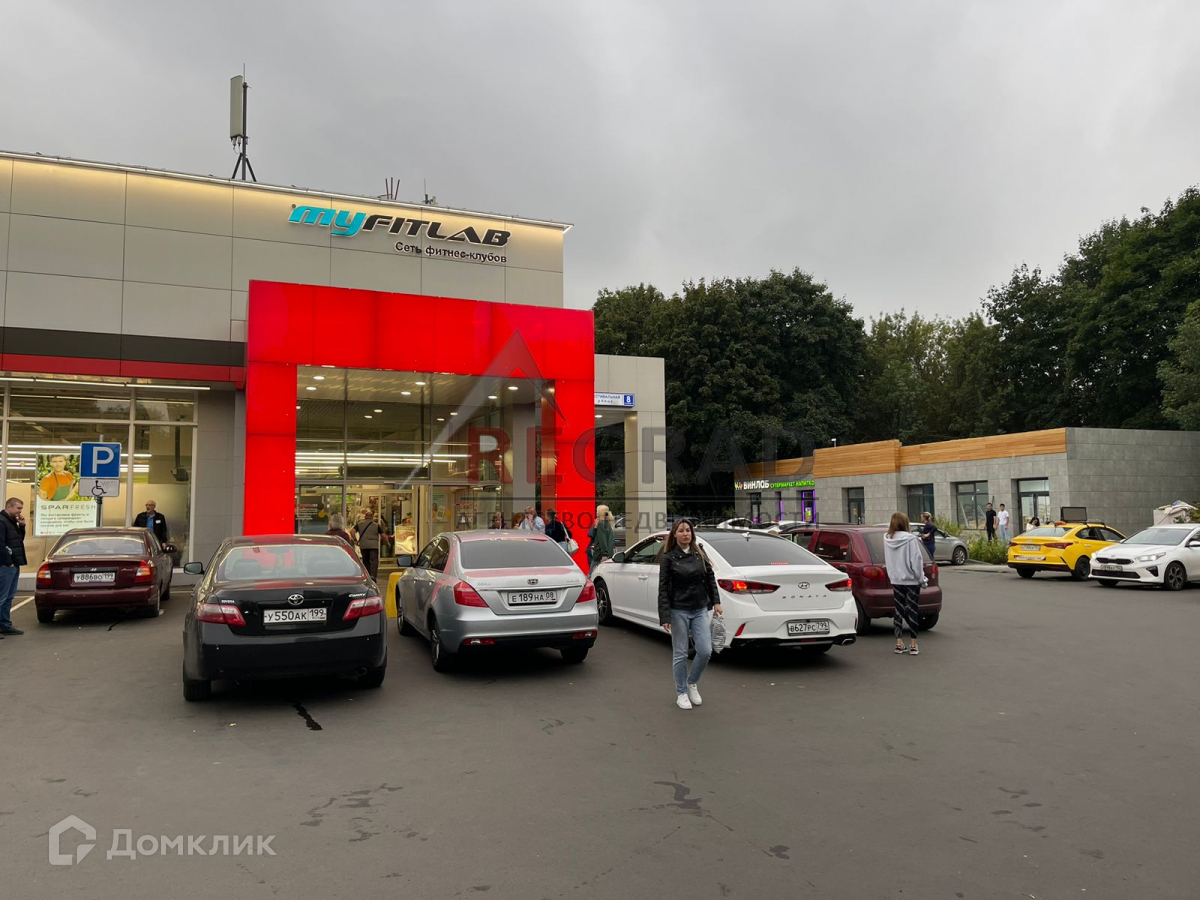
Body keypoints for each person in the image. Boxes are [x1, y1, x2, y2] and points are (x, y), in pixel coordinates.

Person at [657, 519, 721, 709]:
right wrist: (665, 616)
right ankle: (681, 692)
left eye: (688, 530)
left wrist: (716, 602)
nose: (686, 533)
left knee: (705, 650)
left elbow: (710, 577)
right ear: (674, 534)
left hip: (700, 608)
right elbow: (663, 588)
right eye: (681, 530)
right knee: (680, 653)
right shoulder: (668, 557)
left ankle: (692, 682)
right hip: (678, 610)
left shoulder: (699, 553)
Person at [884, 512, 926, 656]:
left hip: (896, 579)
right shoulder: (911, 539)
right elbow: (917, 560)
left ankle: (899, 642)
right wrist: (921, 579)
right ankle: (913, 644)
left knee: (898, 610)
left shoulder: (887, 538)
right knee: (913, 610)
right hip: (911, 579)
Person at [0, 498, 27, 636]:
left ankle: (5, 625)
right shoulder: (2, 522)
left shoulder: (12, 522)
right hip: (6, 565)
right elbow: (0, 544)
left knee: (9, 597)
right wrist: (8, 562)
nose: (20, 512)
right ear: (9, 507)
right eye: (18, 508)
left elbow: (18, 541)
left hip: (14, 563)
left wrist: (22, 526)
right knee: (2, 597)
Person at [355, 510, 385, 580]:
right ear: (372, 517)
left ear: (365, 517)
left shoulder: (359, 524)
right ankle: (373, 575)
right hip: (374, 546)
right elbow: (383, 535)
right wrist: (387, 543)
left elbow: (352, 531)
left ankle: (367, 575)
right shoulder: (376, 525)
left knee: (365, 560)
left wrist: (355, 540)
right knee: (374, 561)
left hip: (364, 545)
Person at [588, 505, 616, 575]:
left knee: (591, 575)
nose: (596, 512)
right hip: (608, 554)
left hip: (599, 554)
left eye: (597, 511)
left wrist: (604, 554)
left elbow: (602, 540)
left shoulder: (601, 524)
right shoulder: (608, 523)